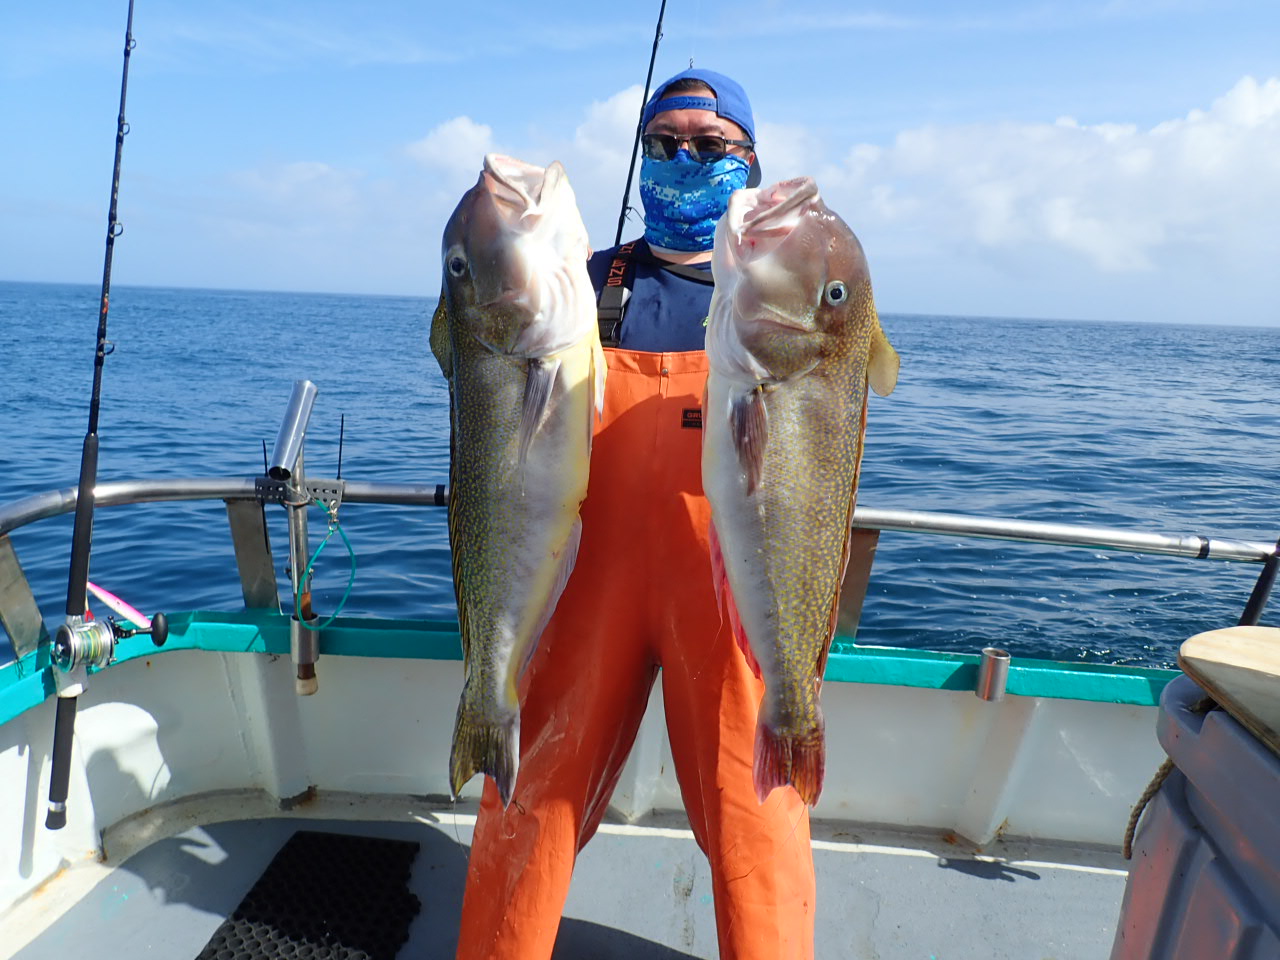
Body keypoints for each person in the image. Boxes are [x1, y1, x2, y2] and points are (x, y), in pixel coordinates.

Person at [454, 68, 816, 960]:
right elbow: (492, 385)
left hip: (725, 588)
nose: (684, 160)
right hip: (585, 581)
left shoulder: (768, 304)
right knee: (529, 799)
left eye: (710, 146)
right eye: (663, 145)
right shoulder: (581, 287)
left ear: (751, 164)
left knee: (754, 813)